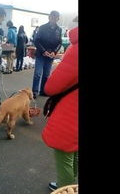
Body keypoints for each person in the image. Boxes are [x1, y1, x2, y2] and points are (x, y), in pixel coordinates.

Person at [42, 26, 78, 191]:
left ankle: (66, 188)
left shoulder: (76, 49)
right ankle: (73, 184)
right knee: (75, 151)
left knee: (65, 157)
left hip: (72, 113)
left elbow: (52, 87)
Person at [32, 11, 62, 99]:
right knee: (37, 73)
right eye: (52, 17)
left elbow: (60, 43)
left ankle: (43, 91)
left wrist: (54, 52)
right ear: (49, 17)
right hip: (41, 54)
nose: (54, 19)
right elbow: (36, 40)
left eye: (56, 17)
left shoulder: (59, 29)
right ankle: (34, 91)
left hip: (50, 56)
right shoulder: (42, 28)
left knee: (46, 75)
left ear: (58, 19)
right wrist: (43, 51)